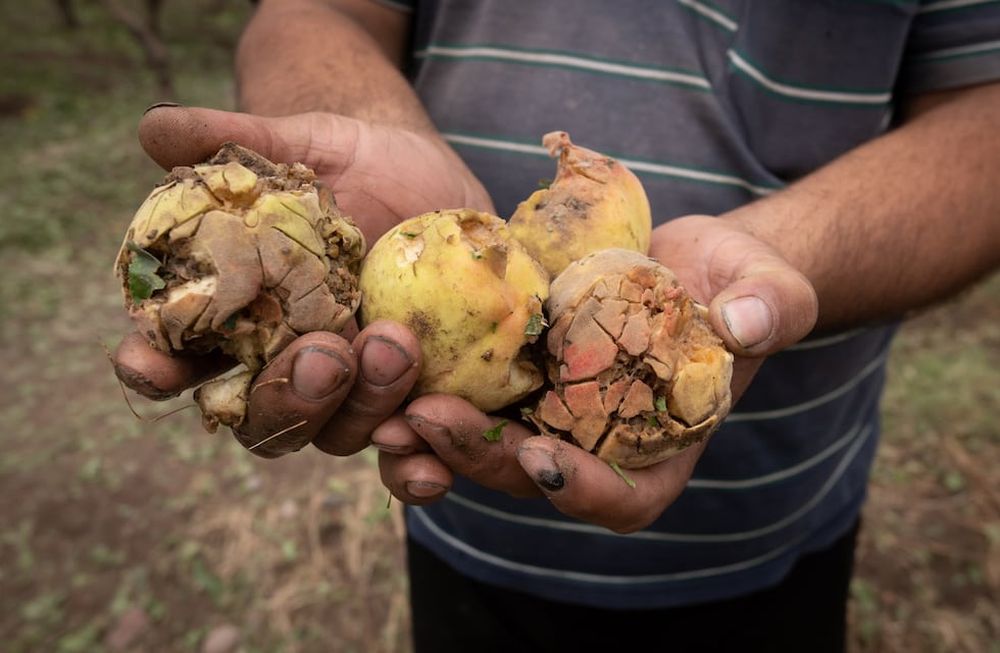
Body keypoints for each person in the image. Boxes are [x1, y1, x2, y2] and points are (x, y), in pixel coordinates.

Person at [113, 1, 1000, 650]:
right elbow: (317, 12)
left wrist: (778, 249)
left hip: (775, 517)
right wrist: (370, 125)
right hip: (459, 522)